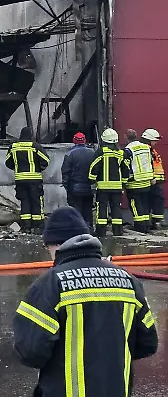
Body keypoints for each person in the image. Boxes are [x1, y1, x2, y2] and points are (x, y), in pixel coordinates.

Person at [13, 207, 158, 396]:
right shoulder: (128, 281)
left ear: (55, 245)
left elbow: (30, 350)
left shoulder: (50, 284)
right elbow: (148, 343)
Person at [5, 126, 51, 234]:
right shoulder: (35, 146)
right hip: (34, 179)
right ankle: (37, 227)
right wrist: (39, 168)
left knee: (24, 201)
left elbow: (8, 162)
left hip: (20, 179)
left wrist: (16, 168)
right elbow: (46, 160)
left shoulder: (14, 147)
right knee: (36, 201)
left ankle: (26, 226)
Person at [89, 128, 130, 237]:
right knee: (116, 208)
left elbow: (94, 166)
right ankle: (117, 231)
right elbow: (126, 170)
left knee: (102, 208)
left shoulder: (101, 152)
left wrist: (91, 179)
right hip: (117, 187)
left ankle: (101, 232)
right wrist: (123, 184)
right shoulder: (120, 153)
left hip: (103, 187)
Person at [61, 132, 96, 231]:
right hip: (89, 188)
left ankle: (78, 229)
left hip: (75, 188)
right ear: (84, 141)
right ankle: (89, 228)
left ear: (74, 141)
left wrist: (66, 186)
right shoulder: (92, 153)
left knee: (76, 210)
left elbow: (65, 172)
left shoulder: (70, 154)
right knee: (88, 209)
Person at [124, 129, 155, 233]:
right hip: (146, 181)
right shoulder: (146, 147)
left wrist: (124, 181)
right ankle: (146, 226)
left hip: (134, 182)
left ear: (126, 137)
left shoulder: (128, 150)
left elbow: (126, 166)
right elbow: (150, 162)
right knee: (144, 204)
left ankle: (140, 227)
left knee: (136, 206)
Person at [143, 129, 164, 230]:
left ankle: (155, 222)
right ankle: (153, 223)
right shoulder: (146, 150)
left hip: (156, 181)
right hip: (152, 181)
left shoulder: (152, 150)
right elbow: (146, 165)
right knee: (151, 201)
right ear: (148, 139)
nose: (156, 142)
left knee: (156, 200)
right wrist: (152, 177)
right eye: (155, 140)